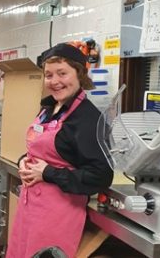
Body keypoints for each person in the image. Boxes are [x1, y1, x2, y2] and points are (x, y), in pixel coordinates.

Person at [6, 43, 113, 258]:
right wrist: (23, 162)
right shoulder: (48, 108)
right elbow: (39, 150)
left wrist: (47, 173)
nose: (54, 81)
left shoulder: (87, 119)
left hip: (57, 214)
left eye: (62, 73)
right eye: (48, 75)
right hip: (30, 207)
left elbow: (100, 175)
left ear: (80, 74)